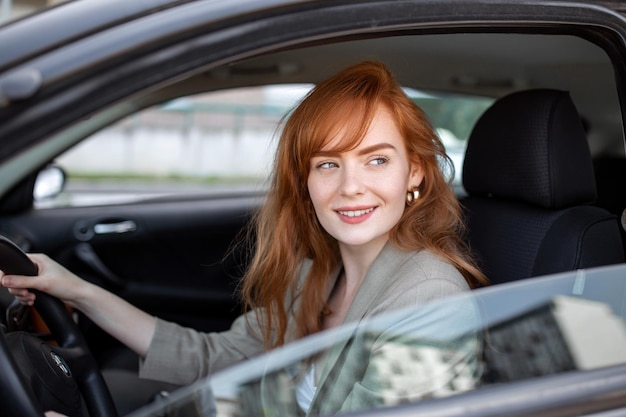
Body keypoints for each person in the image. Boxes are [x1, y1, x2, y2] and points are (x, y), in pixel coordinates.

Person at [1, 61, 488, 416]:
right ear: (306, 183)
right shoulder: (317, 273)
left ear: (415, 174)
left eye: (376, 160)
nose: (350, 186)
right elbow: (210, 358)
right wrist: (75, 289)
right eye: (327, 164)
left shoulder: (429, 301)